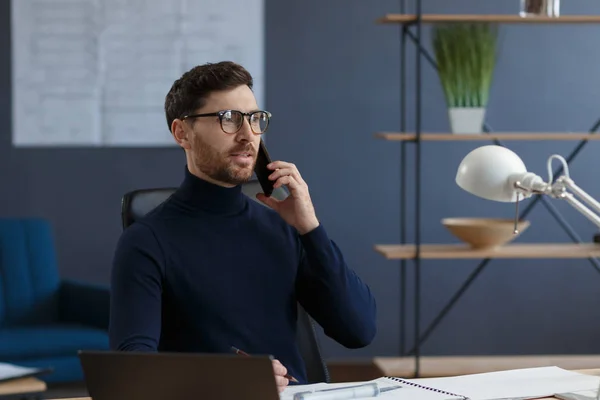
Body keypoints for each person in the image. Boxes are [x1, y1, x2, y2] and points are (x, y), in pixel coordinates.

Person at [108, 61, 377, 392]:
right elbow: (131, 372)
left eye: (254, 119)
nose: (248, 135)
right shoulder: (146, 242)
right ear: (183, 133)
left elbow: (359, 331)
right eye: (229, 119)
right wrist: (226, 378)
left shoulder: (283, 227)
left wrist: (310, 228)